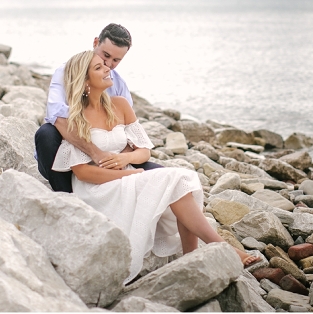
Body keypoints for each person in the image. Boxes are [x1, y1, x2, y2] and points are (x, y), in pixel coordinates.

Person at [52, 50, 260, 282]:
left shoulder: (119, 105)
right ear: (85, 80)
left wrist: (125, 160)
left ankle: (191, 255)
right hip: (98, 189)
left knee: (183, 178)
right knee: (175, 179)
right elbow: (82, 172)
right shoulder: (75, 116)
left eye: (106, 65)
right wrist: (126, 176)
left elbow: (143, 151)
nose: (107, 69)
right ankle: (218, 248)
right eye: (99, 68)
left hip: (127, 173)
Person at [34, 23, 162, 192]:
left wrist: (119, 160)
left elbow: (128, 133)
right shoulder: (67, 73)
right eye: (105, 55)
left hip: (110, 158)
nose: (108, 64)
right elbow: (58, 118)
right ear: (95, 43)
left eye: (116, 60)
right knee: (46, 132)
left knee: (165, 176)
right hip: (69, 161)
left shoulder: (118, 85)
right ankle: (66, 195)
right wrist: (96, 154)